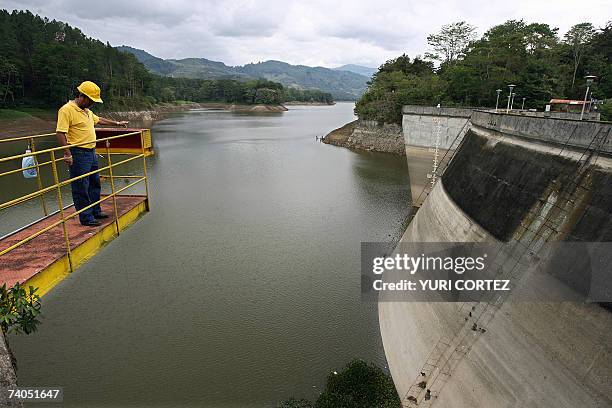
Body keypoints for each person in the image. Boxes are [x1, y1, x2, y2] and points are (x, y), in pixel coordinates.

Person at [55, 81, 129, 226]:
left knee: (94, 183)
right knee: (81, 185)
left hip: (91, 151)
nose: (92, 104)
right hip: (78, 153)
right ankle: (86, 217)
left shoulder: (87, 111)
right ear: (82, 96)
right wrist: (67, 153)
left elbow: (99, 120)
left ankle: (95, 210)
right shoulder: (66, 110)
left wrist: (117, 124)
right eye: (91, 101)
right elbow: (60, 132)